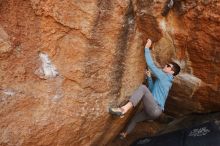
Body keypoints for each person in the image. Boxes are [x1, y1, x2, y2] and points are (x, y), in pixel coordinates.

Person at [109, 39, 181, 139]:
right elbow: (151, 91)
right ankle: (124, 134)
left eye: (168, 66)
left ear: (172, 72)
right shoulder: (166, 81)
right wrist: (149, 77)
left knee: (142, 88)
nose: (165, 65)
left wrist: (147, 48)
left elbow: (151, 65)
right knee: (135, 118)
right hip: (153, 112)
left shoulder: (166, 77)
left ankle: (123, 109)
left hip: (156, 108)